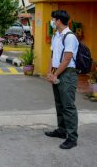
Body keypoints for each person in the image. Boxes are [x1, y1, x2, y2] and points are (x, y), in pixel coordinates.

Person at [46, 10, 79, 149]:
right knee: (59, 103)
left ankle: (72, 138)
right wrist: (49, 72)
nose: (52, 22)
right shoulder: (56, 36)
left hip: (67, 73)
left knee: (68, 106)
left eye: (53, 20)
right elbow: (53, 54)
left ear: (58, 20)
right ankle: (62, 130)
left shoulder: (69, 37)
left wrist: (55, 75)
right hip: (57, 72)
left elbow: (67, 59)